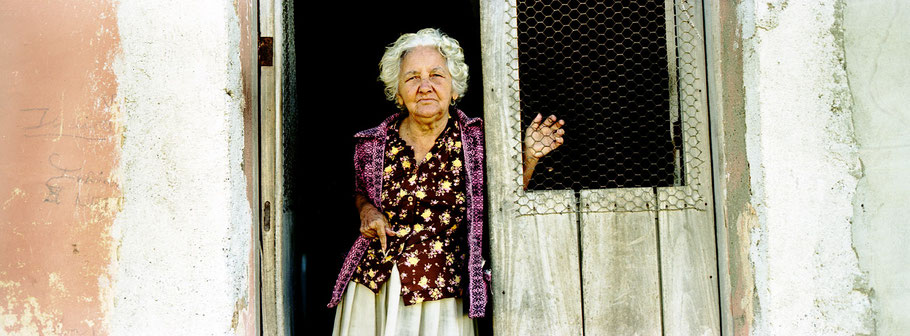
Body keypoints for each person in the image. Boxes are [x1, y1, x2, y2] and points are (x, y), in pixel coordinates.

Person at [328, 28, 565, 336]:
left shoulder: (479, 141)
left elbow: (502, 203)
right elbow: (362, 193)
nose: (424, 86)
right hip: (374, 287)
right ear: (397, 92)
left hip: (444, 292)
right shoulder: (371, 143)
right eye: (412, 78)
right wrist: (367, 212)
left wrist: (528, 157)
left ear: (454, 88)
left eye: (436, 75)